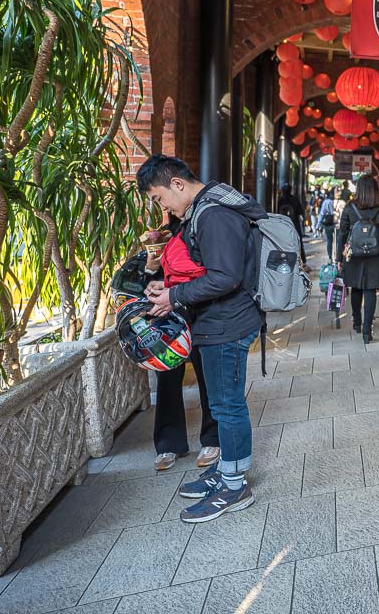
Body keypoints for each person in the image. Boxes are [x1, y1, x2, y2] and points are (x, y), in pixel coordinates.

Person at [137, 155, 262, 523]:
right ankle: (226, 468)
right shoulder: (203, 211)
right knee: (224, 404)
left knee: (227, 406)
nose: (163, 207)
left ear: (177, 183)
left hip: (228, 324)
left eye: (161, 198)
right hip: (216, 322)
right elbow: (207, 272)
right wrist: (171, 286)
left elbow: (225, 277)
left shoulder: (213, 214)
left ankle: (235, 484)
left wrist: (174, 297)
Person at [145, 218, 221, 473]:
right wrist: (149, 268)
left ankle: (212, 439)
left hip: (201, 310)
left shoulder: (203, 222)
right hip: (167, 316)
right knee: (166, 373)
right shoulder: (161, 231)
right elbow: (143, 276)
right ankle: (169, 442)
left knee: (207, 373)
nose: (164, 204)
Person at [336, 175, 379, 342]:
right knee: (371, 289)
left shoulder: (350, 207)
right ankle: (367, 331)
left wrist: (339, 256)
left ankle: (357, 323)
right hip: (375, 253)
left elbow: (342, 233)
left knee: (356, 287)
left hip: (353, 255)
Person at [277, 183, 307, 266]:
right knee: (298, 241)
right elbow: (300, 211)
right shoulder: (295, 199)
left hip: (282, 224)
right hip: (294, 223)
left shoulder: (280, 200)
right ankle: (301, 259)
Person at [319, 189, 337, 262]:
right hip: (336, 222)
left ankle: (330, 257)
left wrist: (318, 225)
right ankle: (337, 258)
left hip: (328, 222)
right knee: (338, 241)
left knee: (329, 240)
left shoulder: (326, 202)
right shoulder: (339, 202)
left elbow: (322, 213)